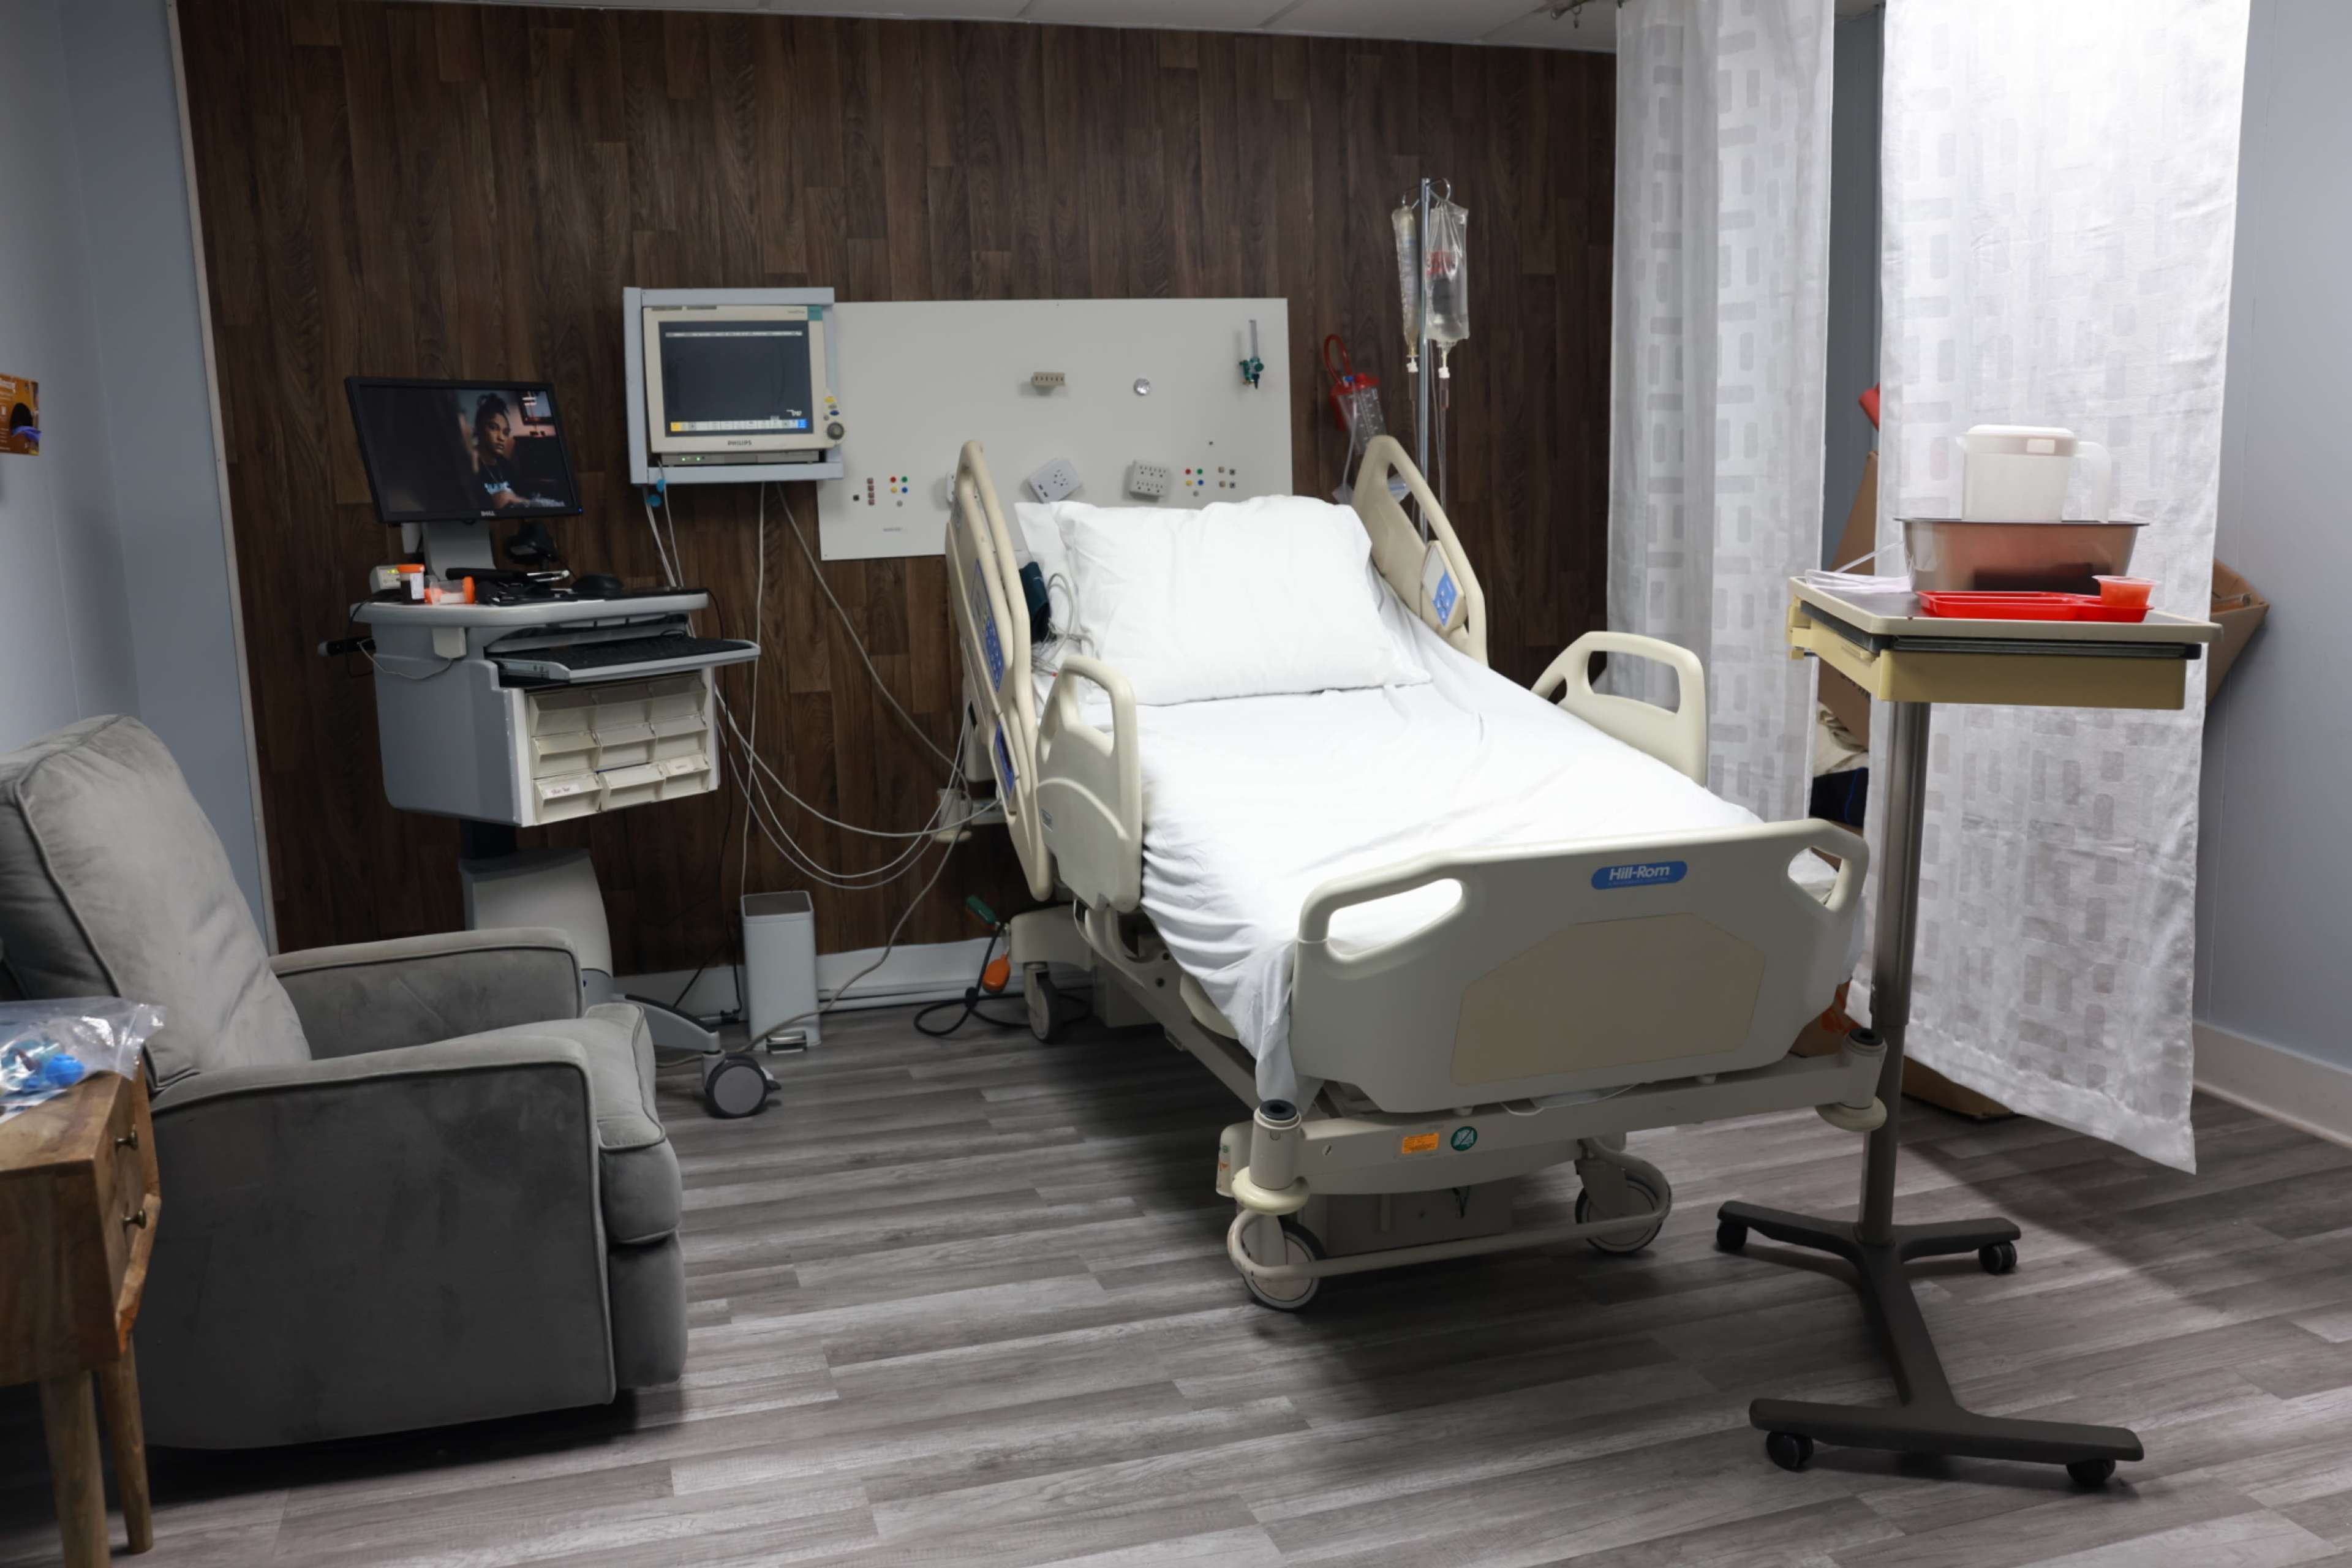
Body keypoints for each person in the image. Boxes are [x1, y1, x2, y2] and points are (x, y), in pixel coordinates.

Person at [470, 393, 532, 511]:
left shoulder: (505, 465)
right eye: (493, 428)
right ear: (478, 429)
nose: (502, 438)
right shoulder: (469, 465)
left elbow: (528, 498)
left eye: (505, 432)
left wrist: (515, 499)